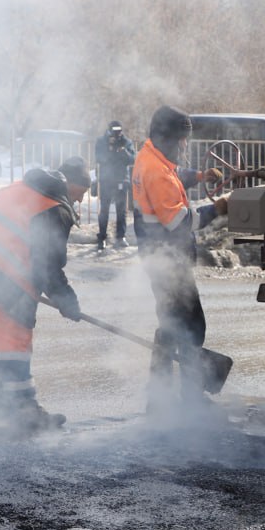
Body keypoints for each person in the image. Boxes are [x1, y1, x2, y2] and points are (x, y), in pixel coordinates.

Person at [0, 156, 90, 436]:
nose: (80, 202)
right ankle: (24, 411)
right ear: (72, 185)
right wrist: (67, 301)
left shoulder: (19, 187)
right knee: (15, 342)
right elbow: (47, 265)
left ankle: (4, 405)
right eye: (81, 194)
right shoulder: (53, 207)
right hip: (2, 276)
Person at [131, 105, 226, 412]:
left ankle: (158, 397)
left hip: (160, 258)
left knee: (171, 324)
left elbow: (175, 175)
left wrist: (199, 176)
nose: (185, 145)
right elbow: (180, 223)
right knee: (191, 326)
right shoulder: (156, 172)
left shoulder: (151, 157)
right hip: (167, 260)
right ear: (168, 138)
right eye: (182, 139)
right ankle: (189, 397)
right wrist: (218, 209)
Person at [94, 120, 137, 252]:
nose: (116, 134)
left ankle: (120, 237)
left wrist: (123, 151)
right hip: (107, 179)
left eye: (118, 131)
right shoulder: (102, 141)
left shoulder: (126, 142)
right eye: (114, 131)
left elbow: (132, 159)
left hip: (121, 179)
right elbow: (99, 158)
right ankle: (102, 237)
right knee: (104, 210)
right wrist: (110, 149)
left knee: (121, 210)